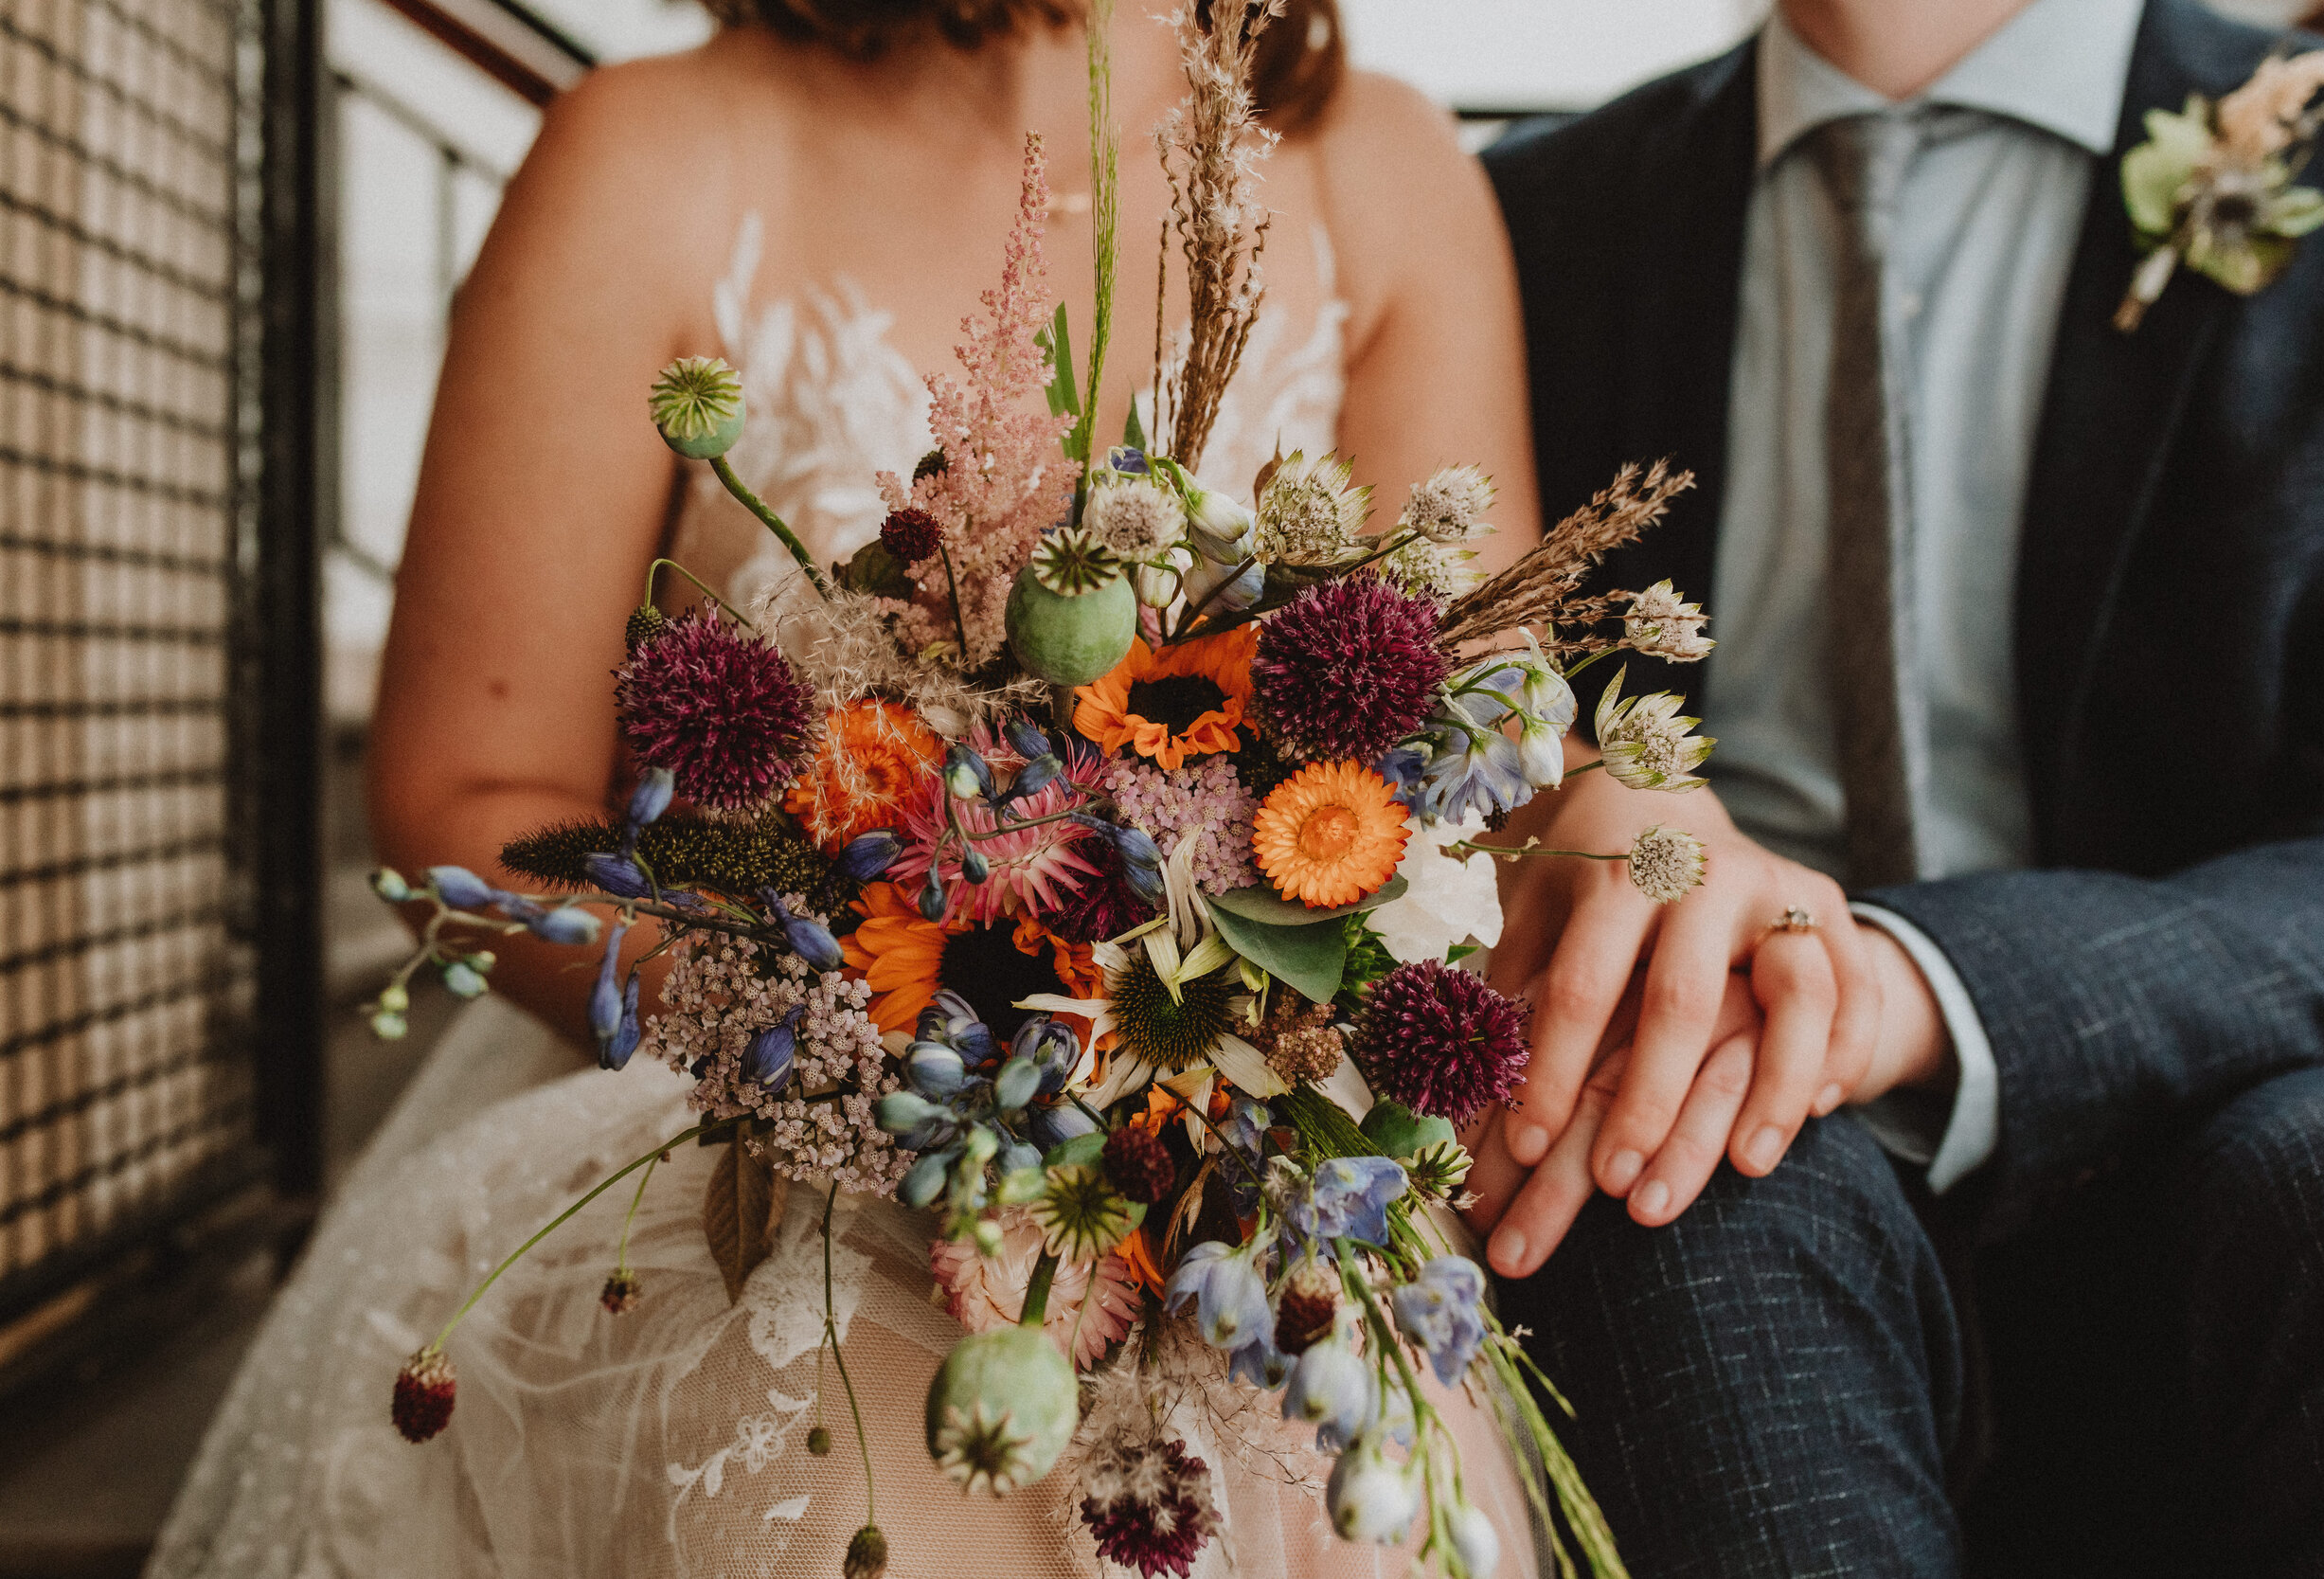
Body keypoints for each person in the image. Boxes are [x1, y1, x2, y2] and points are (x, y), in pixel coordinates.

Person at [147, 5, 1549, 1577]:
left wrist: (1204, 1085)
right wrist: (853, 1060)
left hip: (1233, 1147)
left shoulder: (1390, 173)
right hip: (728, 1099)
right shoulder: (653, 153)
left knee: (1331, 1461)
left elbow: (1476, 767)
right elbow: (469, 795)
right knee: (874, 1486)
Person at [1471, 0, 2324, 1572]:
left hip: (2216, 1122)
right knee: (1651, 1172)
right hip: (1749, 1143)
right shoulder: (1545, 216)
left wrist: (1923, 990)